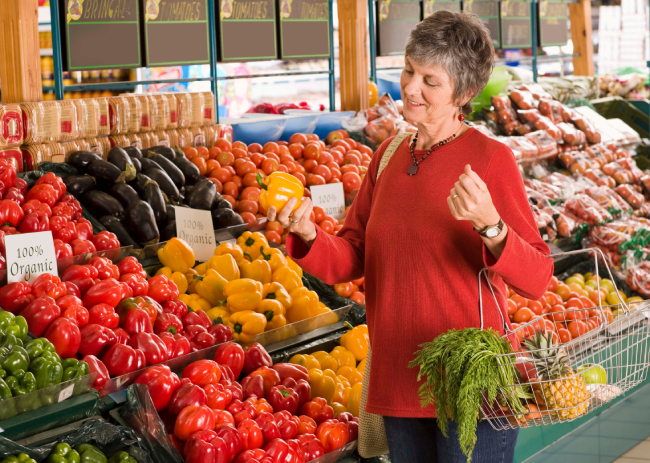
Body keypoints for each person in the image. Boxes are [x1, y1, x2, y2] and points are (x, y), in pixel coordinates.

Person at [267, 10, 553, 463]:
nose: (410, 88)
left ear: (464, 93)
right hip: (400, 380)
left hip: (470, 385)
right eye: (408, 70)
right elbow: (352, 257)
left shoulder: (491, 160)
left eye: (430, 80)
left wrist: (492, 226)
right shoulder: (387, 156)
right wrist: (307, 233)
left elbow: (537, 276)